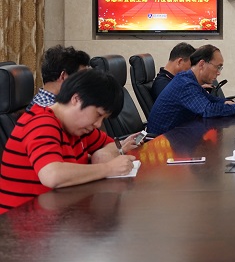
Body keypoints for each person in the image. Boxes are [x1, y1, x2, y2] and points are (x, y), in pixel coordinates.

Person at [0, 70, 137, 214]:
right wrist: (108, 168)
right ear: (76, 99)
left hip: (60, 212)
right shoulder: (41, 123)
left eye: (103, 119)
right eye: (98, 114)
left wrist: (101, 155)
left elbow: (111, 145)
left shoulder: (79, 128)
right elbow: (52, 176)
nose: (98, 124)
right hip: (23, 220)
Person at [146, 44, 235, 135]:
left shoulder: (189, 79)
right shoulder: (185, 83)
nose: (219, 72)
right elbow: (207, 110)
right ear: (202, 64)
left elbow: (211, 99)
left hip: (177, 137)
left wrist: (229, 102)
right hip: (162, 144)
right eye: (218, 67)